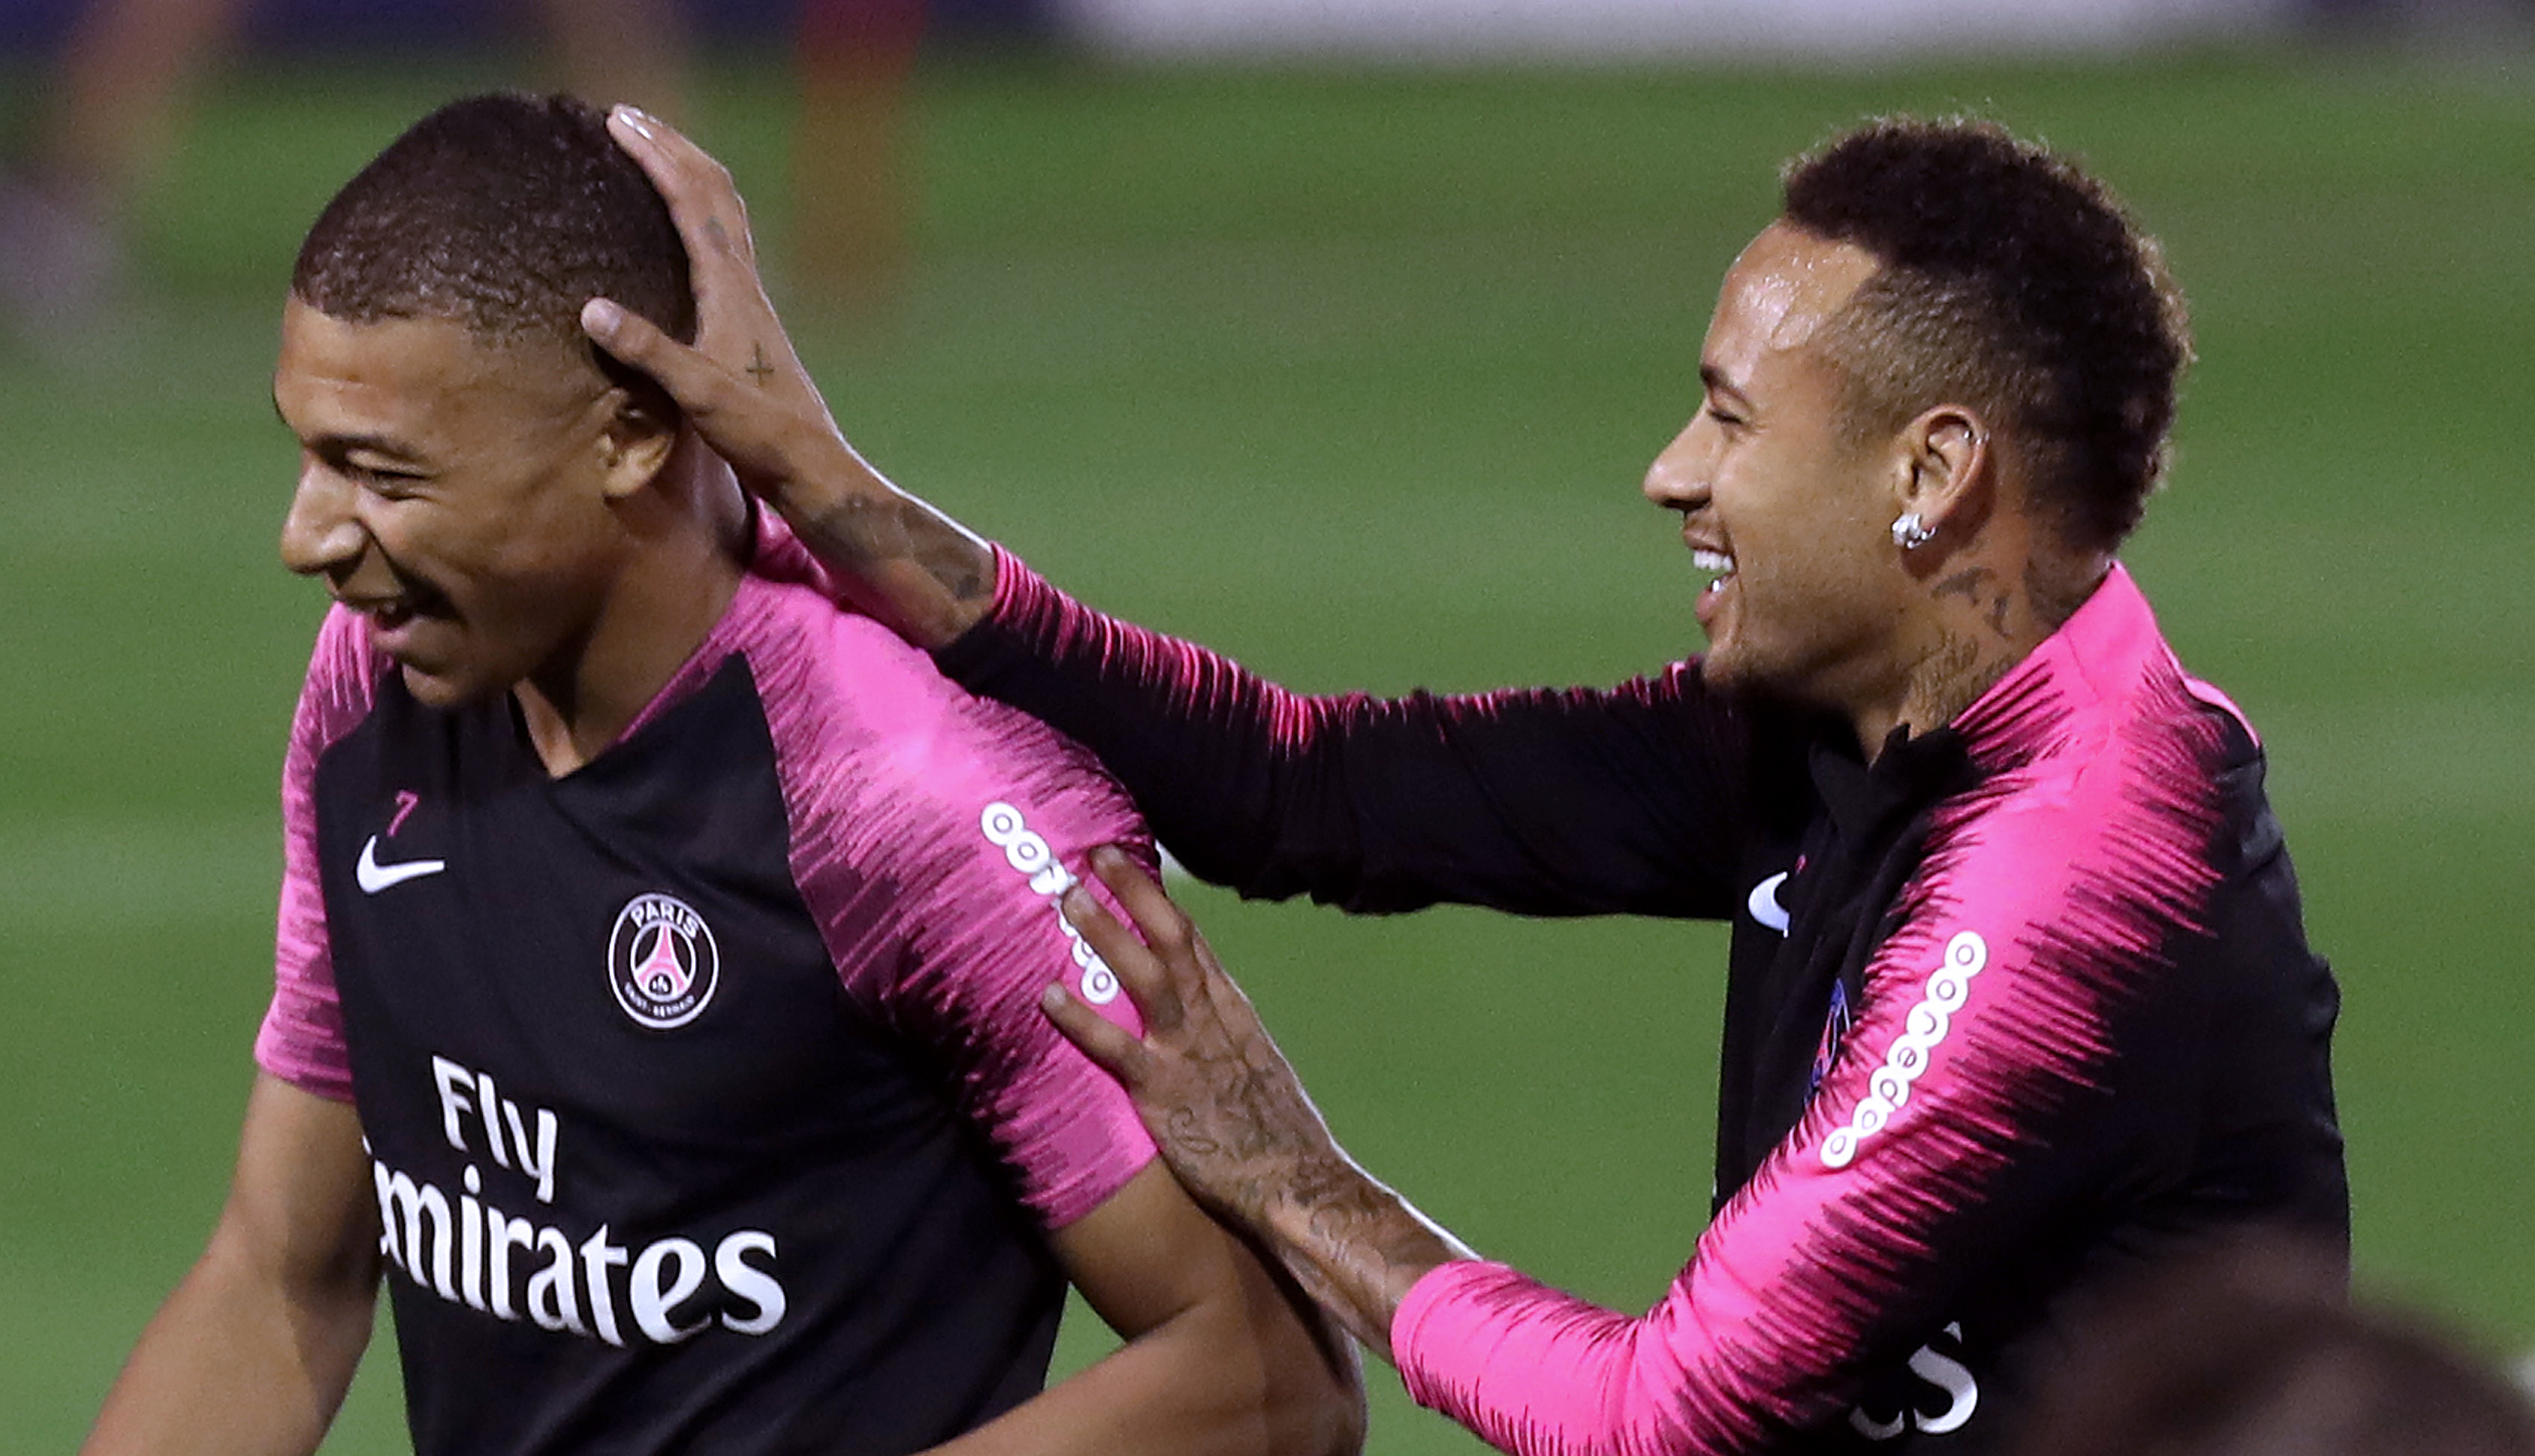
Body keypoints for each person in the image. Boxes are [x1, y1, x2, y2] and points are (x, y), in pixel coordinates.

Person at [582, 108, 2346, 1452]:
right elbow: (1302, 787)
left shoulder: (2067, 873)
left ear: (1930, 471)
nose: (1670, 472)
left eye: (1730, 418)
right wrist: (830, 492)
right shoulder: (1850, 714)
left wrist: (1291, 1177)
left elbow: (1664, 1411)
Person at [78, 93, 1362, 1456]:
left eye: (380, 472)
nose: (308, 535)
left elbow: (1267, 1378)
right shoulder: (373, 692)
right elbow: (285, 1278)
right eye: (306, 452)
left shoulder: (896, 796)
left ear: (629, 433)